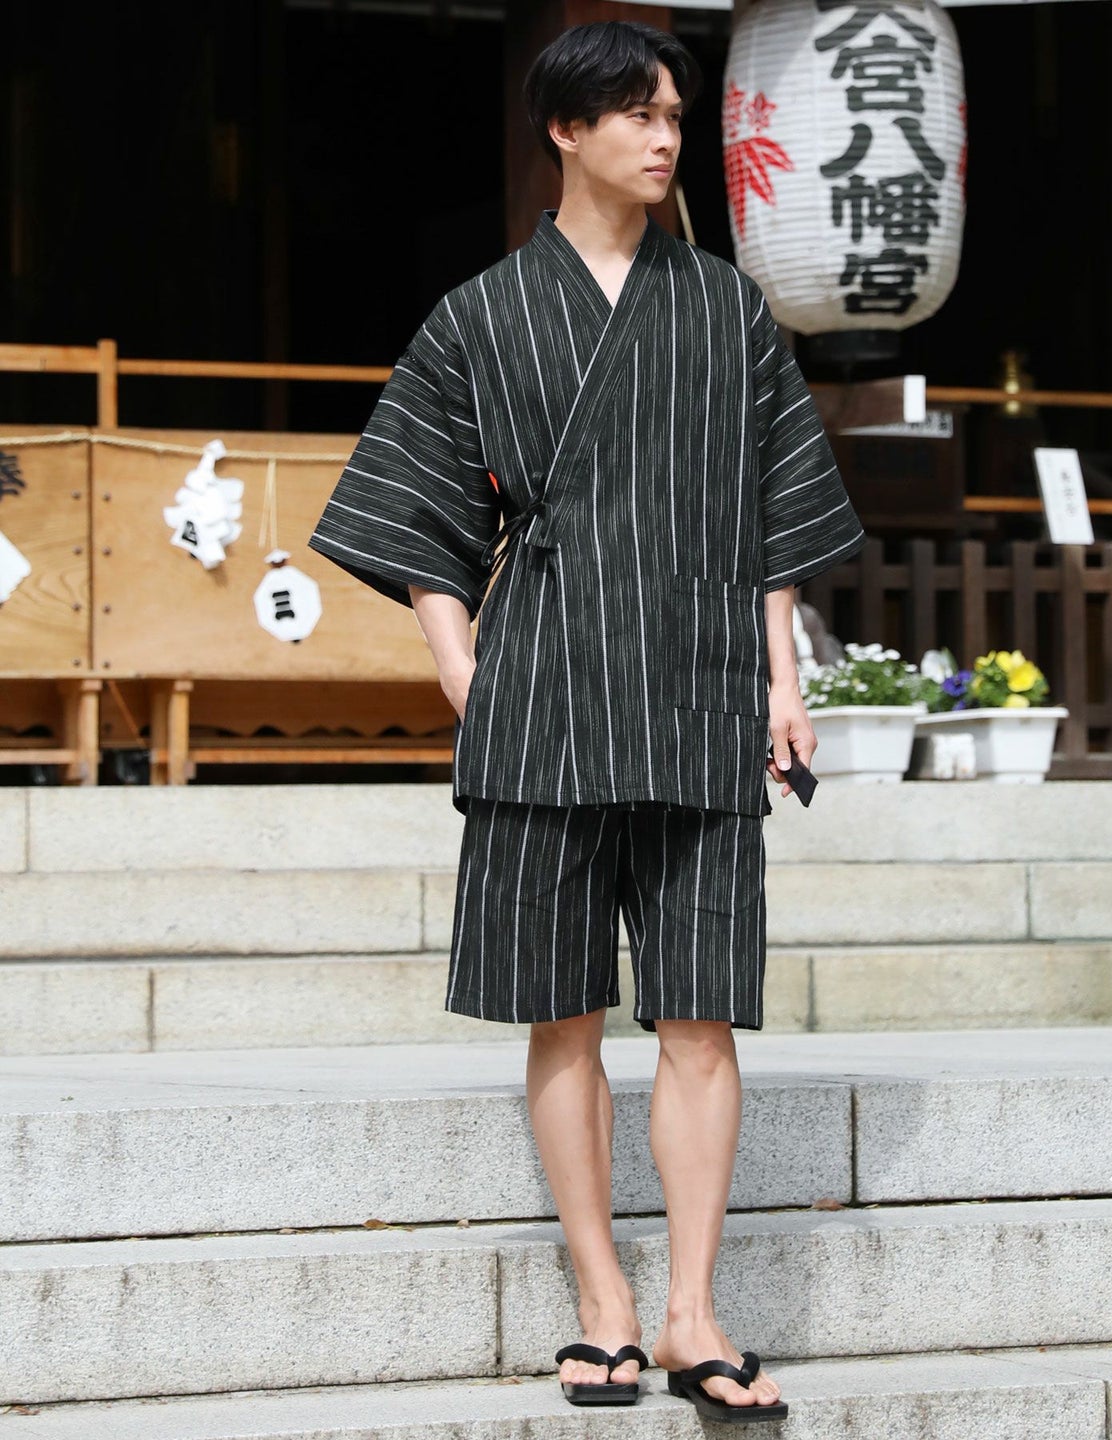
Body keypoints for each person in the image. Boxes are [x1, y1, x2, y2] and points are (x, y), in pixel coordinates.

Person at [310, 20, 864, 1422]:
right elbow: (423, 509)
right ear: (565, 130)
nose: (666, 138)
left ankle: (692, 1313)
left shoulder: (727, 308)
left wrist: (785, 681)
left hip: (700, 686)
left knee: (702, 1015)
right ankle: (602, 1302)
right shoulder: (481, 315)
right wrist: (462, 668)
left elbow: (776, 510)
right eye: (636, 114)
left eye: (675, 114)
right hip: (544, 683)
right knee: (560, 1015)